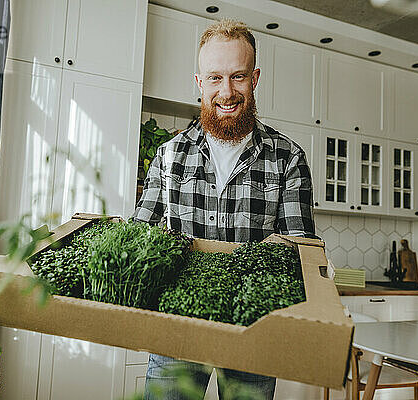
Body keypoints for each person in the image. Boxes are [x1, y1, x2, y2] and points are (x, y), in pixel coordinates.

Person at [132, 18, 316, 399]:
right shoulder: (169, 157)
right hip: (175, 333)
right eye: (215, 78)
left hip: (254, 333)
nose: (226, 91)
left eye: (238, 77)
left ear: (255, 78)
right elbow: (139, 241)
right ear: (199, 82)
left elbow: (298, 255)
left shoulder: (288, 159)